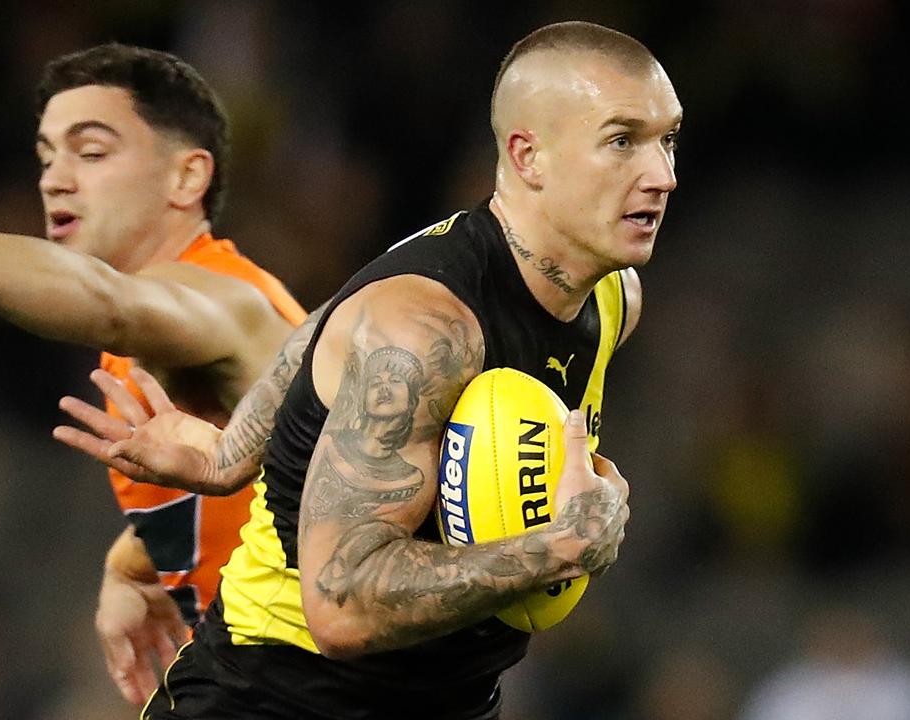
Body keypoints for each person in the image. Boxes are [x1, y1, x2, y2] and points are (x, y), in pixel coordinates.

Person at [56, 20, 678, 719]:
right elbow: (341, 605)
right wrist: (557, 548)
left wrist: (232, 453)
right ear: (527, 156)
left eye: (667, 139)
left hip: (449, 701)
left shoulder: (610, 296)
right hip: (273, 701)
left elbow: (330, 319)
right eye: (622, 141)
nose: (661, 175)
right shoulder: (425, 325)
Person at [0, 43, 307, 705]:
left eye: (91, 152)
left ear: (186, 179)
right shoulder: (161, 330)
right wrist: (133, 558)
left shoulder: (221, 297)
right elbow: (287, 491)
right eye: (46, 157)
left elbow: (110, 302)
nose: (55, 180)